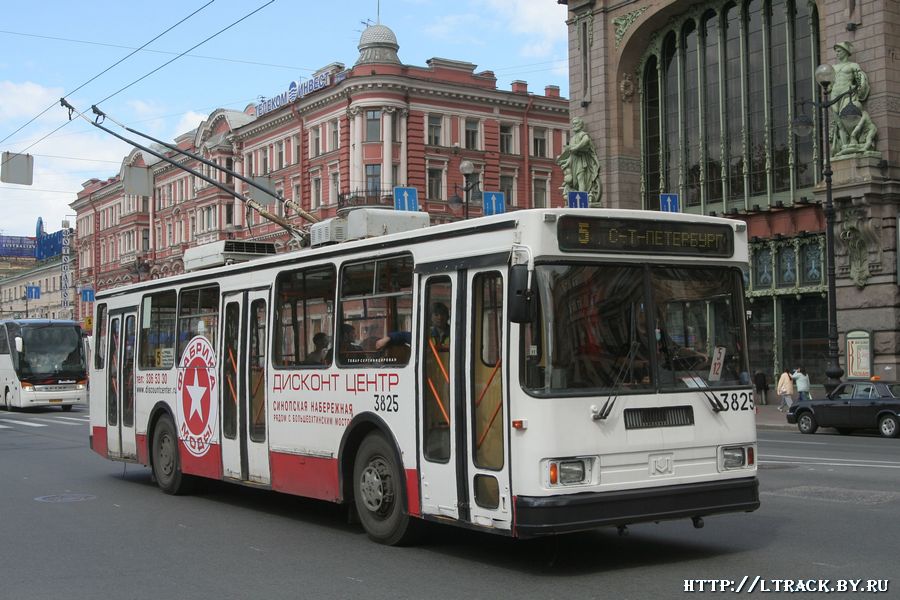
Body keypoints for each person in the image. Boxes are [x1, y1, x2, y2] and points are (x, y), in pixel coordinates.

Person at [829, 42, 871, 155]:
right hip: (834, 95)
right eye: (836, 51)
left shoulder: (853, 65)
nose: (837, 54)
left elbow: (860, 79)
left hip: (847, 94)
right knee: (839, 123)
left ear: (846, 52)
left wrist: (858, 88)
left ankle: (854, 140)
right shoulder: (833, 68)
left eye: (839, 51)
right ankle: (844, 146)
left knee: (847, 117)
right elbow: (829, 85)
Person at [556, 117, 602, 206]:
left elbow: (586, 141)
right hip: (574, 162)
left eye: (576, 123)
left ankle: (582, 200)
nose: (574, 125)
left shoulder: (582, 134)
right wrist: (565, 163)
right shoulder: (573, 138)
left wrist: (575, 147)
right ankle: (580, 199)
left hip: (581, 161)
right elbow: (571, 155)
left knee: (581, 179)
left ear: (581, 125)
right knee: (576, 181)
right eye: (573, 124)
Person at [375, 302, 451, 351]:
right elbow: (404, 336)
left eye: (442, 314)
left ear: (447, 316)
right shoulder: (426, 333)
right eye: (436, 315)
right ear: (431, 317)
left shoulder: (455, 334)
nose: (440, 318)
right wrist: (388, 338)